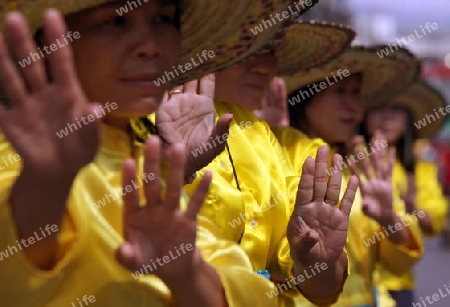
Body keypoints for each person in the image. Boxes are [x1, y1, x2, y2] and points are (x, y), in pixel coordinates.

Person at [0, 0, 294, 306]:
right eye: (115, 22)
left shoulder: (146, 161)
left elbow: (253, 293)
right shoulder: (19, 156)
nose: (150, 46)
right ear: (47, 43)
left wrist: (186, 271)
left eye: (164, 19)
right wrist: (45, 183)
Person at [148, 19, 360, 306]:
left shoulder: (259, 133)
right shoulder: (144, 121)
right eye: (245, 47)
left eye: (269, 49)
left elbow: (315, 279)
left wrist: (314, 263)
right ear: (200, 44)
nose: (264, 67)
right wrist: (178, 169)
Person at [259, 45, 424, 306]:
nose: (353, 105)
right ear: (305, 98)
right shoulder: (272, 156)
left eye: (356, 93)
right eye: (339, 91)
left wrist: (388, 217)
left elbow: (400, 263)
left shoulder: (368, 164)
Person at [362, 80, 449, 307]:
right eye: (379, 108)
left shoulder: (420, 169)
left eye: (395, 110)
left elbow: (434, 222)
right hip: (352, 282)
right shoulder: (349, 159)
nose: (386, 117)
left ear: (408, 120)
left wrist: (413, 209)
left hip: (397, 282)